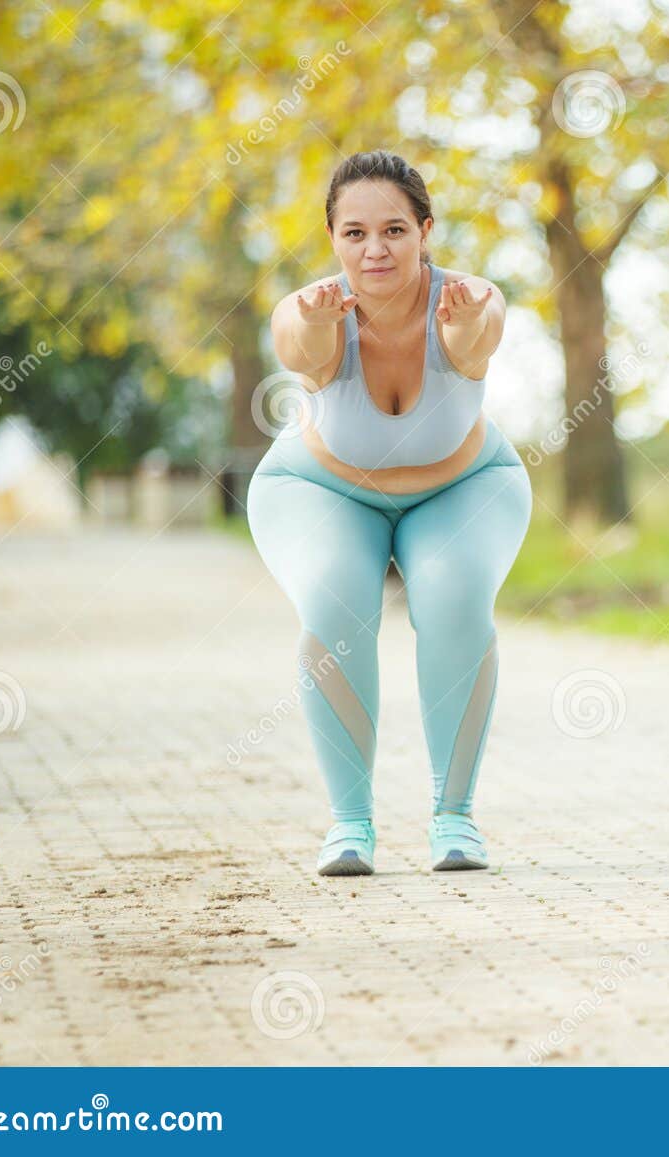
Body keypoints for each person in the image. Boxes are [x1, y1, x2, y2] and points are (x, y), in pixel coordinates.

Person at [246, 150, 533, 877]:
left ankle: (455, 818)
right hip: (320, 488)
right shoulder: (307, 311)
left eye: (395, 230)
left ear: (426, 231)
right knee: (336, 598)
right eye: (355, 233)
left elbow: (478, 338)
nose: (374, 249)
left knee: (455, 592)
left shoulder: (468, 300)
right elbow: (301, 349)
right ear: (333, 238)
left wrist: (471, 321)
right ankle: (350, 824)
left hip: (464, 484)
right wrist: (313, 326)